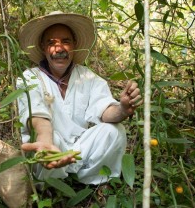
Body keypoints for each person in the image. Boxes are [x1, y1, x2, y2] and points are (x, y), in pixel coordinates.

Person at [17, 11, 142, 185]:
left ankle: (86, 180)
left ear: (74, 45)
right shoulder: (29, 77)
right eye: (51, 42)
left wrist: (122, 109)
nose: (59, 48)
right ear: (43, 47)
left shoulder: (88, 77)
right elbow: (37, 116)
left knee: (115, 131)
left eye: (65, 41)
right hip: (46, 145)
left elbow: (105, 110)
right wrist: (46, 142)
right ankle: (51, 184)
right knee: (47, 139)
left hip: (77, 149)